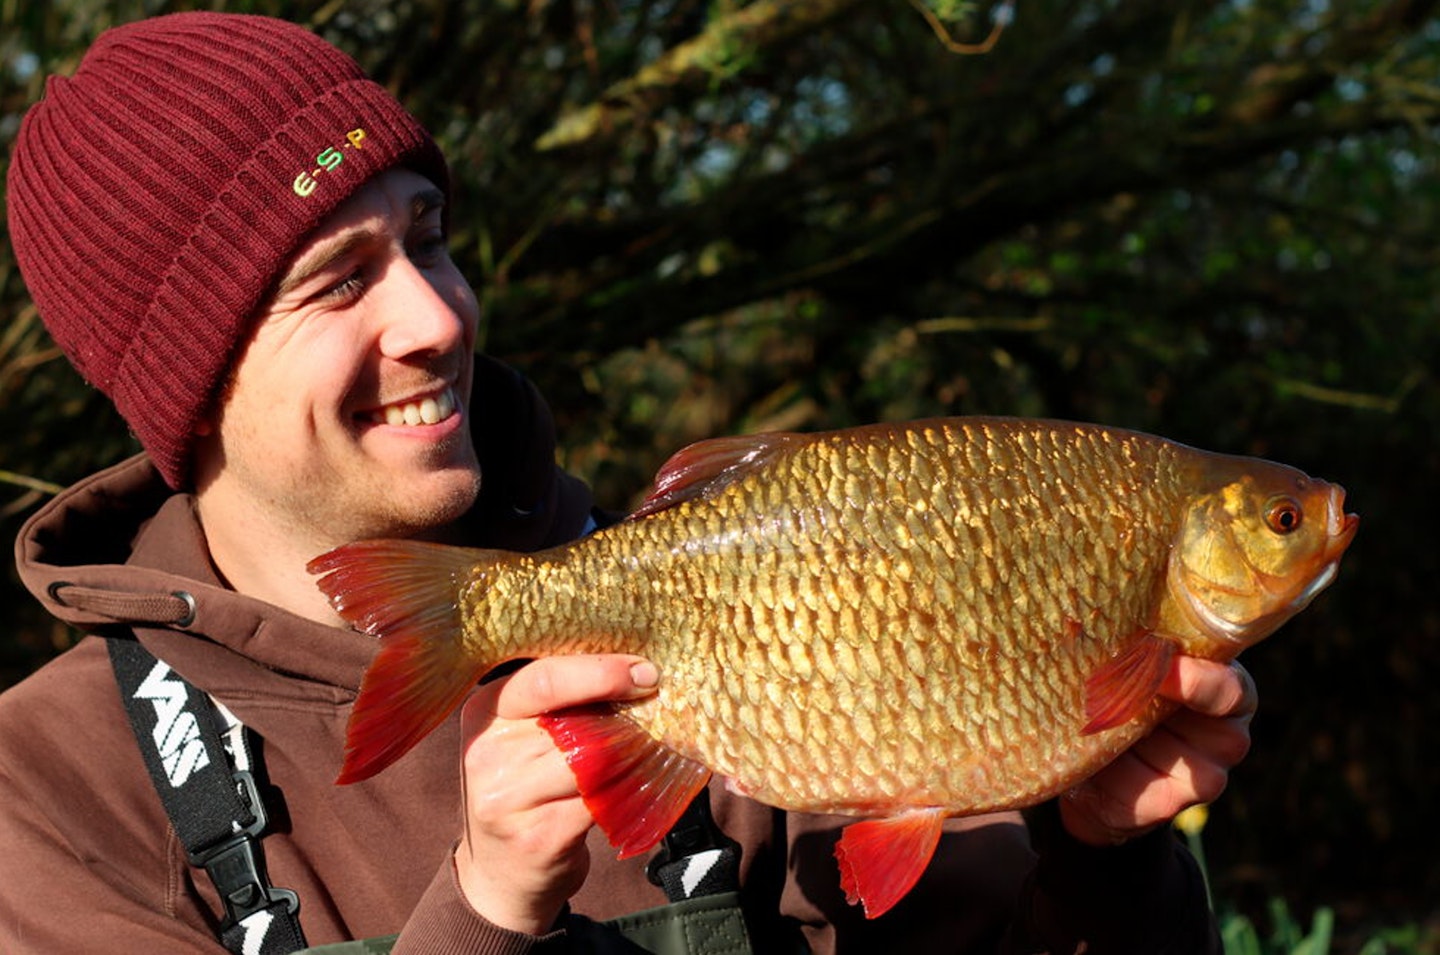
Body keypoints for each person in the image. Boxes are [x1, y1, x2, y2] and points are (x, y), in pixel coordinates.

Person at [0, 12, 1254, 953]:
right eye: (340, 279)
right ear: (189, 384)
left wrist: (1104, 858)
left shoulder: (739, 606)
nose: (436, 315)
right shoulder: (49, 787)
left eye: (429, 237)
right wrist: (486, 913)